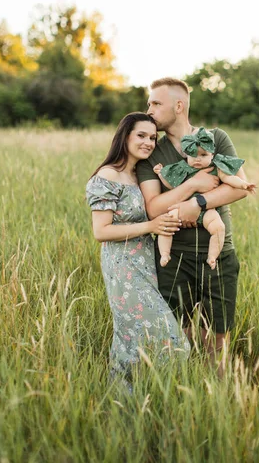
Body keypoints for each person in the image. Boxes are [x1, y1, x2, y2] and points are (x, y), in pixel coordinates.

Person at [136, 78, 251, 372]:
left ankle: (218, 398)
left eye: (155, 103)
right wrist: (196, 185)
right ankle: (184, 392)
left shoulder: (216, 138)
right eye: (149, 103)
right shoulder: (151, 150)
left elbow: (238, 188)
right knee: (179, 336)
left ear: (179, 105)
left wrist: (196, 205)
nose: (148, 109)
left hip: (218, 254)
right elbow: (153, 207)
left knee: (217, 337)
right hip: (174, 256)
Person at [85, 112, 190, 382]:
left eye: (153, 137)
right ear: (125, 136)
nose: (148, 142)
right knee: (172, 339)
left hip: (146, 262)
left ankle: (129, 397)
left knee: (132, 335)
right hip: (122, 268)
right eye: (141, 135)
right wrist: (151, 227)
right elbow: (101, 231)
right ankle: (128, 394)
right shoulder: (108, 175)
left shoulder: (137, 175)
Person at [153, 126, 256, 269]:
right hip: (183, 208)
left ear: (212, 155)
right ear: (186, 155)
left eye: (203, 155)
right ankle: (165, 253)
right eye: (193, 155)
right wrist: (160, 174)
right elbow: (170, 184)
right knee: (168, 222)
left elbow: (230, 179)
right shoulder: (182, 168)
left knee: (219, 227)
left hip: (208, 210)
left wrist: (243, 185)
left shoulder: (216, 168)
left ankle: (212, 256)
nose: (198, 159)